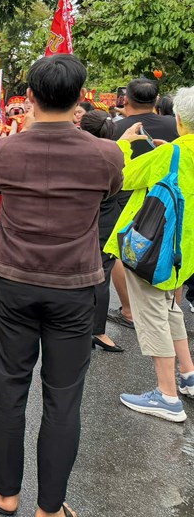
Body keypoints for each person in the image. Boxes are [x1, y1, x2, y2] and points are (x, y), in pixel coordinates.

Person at [0, 55, 123, 517]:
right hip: (74, 287)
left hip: (17, 285)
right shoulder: (105, 154)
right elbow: (108, 192)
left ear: (30, 98)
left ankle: (7, 492)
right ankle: (50, 506)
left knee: (9, 387)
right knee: (63, 396)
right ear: (80, 97)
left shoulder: (3, 149)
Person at [108, 87, 194, 422]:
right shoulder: (172, 153)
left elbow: (120, 177)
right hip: (183, 251)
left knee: (154, 314)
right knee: (171, 308)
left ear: (179, 120)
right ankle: (187, 374)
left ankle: (167, 395)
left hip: (154, 249)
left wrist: (125, 144)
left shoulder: (171, 154)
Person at [106, 78, 180, 330]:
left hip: (127, 196)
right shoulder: (175, 125)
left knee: (120, 246)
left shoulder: (115, 128)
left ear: (125, 99)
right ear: (157, 101)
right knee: (171, 243)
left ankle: (128, 310)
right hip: (169, 196)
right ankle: (170, 308)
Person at [79, 109, 125, 352]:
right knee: (100, 277)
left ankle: (84, 328)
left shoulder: (77, 154)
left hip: (78, 222)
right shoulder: (114, 155)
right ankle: (96, 331)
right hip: (105, 223)